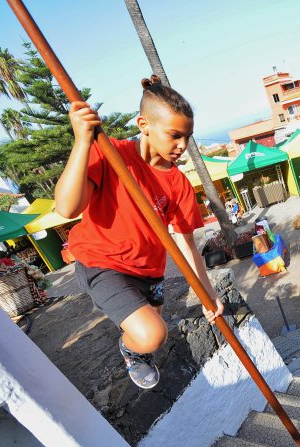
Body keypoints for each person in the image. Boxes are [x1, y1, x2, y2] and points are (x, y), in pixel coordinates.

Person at [57, 75, 224, 389]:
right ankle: (129, 349)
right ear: (143, 124)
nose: (182, 146)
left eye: (187, 137)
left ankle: (137, 343)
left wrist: (209, 294)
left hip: (149, 274)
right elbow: (67, 208)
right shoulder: (110, 154)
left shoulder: (178, 183)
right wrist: (82, 141)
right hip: (102, 264)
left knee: (154, 328)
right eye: (174, 135)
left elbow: (187, 245)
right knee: (152, 335)